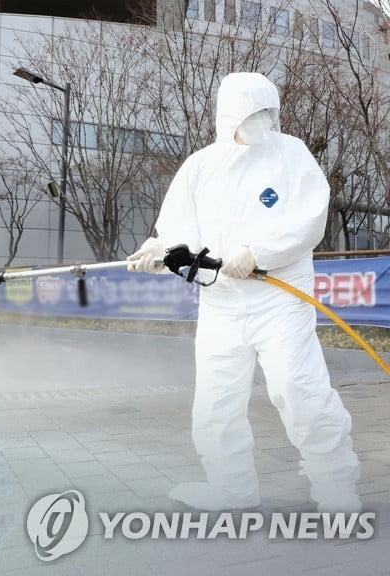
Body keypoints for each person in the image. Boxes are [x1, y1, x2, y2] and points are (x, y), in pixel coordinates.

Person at [127, 72, 360, 512]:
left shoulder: (290, 153)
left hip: (280, 299)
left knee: (299, 390)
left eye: (263, 113)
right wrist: (159, 248)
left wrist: (259, 251)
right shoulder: (200, 166)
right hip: (221, 305)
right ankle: (231, 489)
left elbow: (311, 216)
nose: (257, 123)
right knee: (216, 404)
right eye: (248, 114)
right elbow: (178, 229)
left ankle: (336, 491)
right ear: (228, 114)